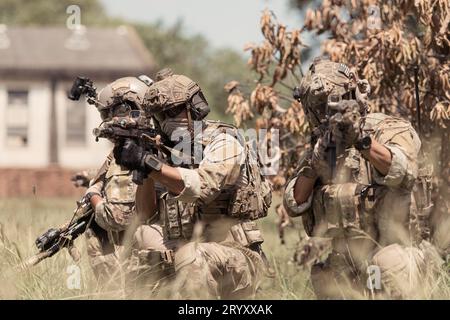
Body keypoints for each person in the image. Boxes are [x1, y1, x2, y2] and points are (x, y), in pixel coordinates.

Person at [283, 57, 442, 299]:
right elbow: (294, 203)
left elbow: (404, 169)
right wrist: (317, 162)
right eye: (321, 107)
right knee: (326, 275)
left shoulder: (389, 128)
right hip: (345, 257)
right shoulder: (321, 146)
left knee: (386, 264)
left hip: (393, 249)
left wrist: (361, 141)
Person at [113, 69, 273, 299]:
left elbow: (202, 185)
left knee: (191, 255)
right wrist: (144, 168)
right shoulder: (165, 151)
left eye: (173, 110)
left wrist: (150, 164)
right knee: (140, 242)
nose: (167, 121)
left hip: (237, 257)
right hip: (185, 254)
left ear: (195, 107)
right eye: (160, 115)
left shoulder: (223, 141)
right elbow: (145, 213)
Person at [81, 76, 155, 285]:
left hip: (149, 258)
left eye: (109, 113)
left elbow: (116, 218)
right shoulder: (155, 143)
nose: (106, 121)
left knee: (95, 230)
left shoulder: (134, 153)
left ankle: (114, 291)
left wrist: (93, 194)